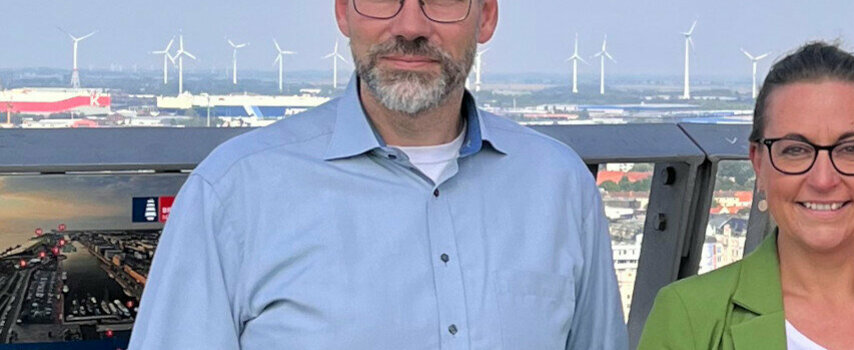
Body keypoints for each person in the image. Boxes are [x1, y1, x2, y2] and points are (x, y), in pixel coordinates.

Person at [129, 0, 626, 348]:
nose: (410, 26)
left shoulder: (559, 186)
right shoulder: (236, 191)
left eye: (443, 0)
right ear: (343, 11)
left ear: (487, 15)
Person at [636, 42, 854, 350]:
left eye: (852, 149)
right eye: (795, 150)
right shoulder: (690, 318)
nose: (824, 179)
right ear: (759, 164)